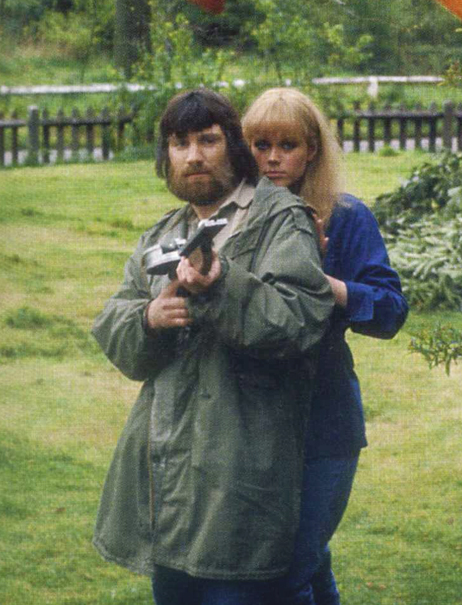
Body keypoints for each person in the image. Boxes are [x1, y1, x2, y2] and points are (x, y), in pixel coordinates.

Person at [92, 88, 335, 605]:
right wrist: (149, 317)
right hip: (168, 483)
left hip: (242, 478)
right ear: (166, 156)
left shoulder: (279, 218)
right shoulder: (165, 233)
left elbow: (298, 322)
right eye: (180, 143)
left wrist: (221, 283)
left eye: (208, 140)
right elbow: (114, 327)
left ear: (234, 148)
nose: (194, 155)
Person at [242, 87, 408, 605]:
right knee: (305, 563)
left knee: (289, 570)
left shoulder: (345, 215)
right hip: (253, 420)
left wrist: (329, 284)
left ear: (312, 149)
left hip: (324, 419)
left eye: (287, 145)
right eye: (260, 144)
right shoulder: (238, 214)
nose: (272, 158)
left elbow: (390, 311)